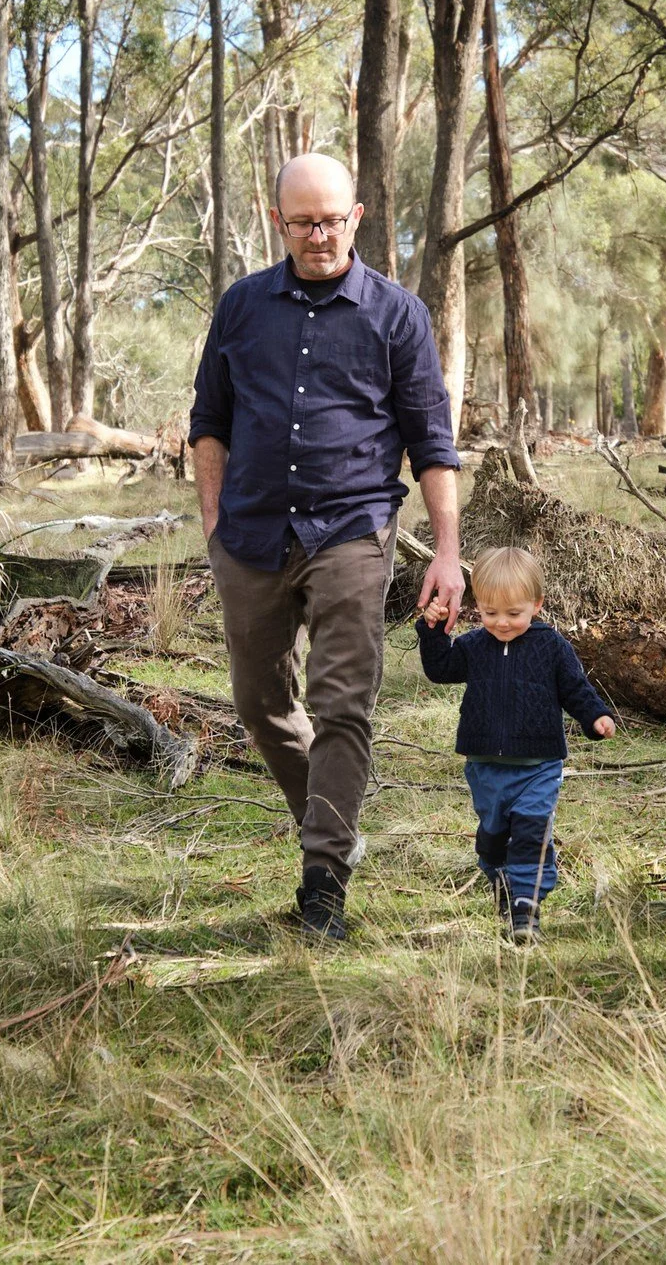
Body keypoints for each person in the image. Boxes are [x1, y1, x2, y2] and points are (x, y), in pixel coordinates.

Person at [189, 152, 465, 943]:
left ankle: (323, 885)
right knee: (261, 705)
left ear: (358, 217)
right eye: (303, 221)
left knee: (342, 704)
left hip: (352, 530)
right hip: (249, 536)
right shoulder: (241, 308)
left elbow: (432, 443)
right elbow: (209, 422)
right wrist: (213, 528)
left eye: (332, 219)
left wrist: (446, 551)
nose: (319, 235)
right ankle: (334, 821)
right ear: (279, 221)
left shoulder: (397, 314)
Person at [416, 547, 616, 943]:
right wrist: (434, 632)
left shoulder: (551, 646)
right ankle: (504, 884)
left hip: (539, 763)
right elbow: (440, 670)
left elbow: (575, 689)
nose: (502, 623)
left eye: (513, 614)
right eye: (490, 613)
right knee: (492, 839)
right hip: (486, 763)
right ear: (478, 607)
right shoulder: (474, 646)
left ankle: (527, 908)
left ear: (536, 605)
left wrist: (595, 717)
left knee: (531, 829)